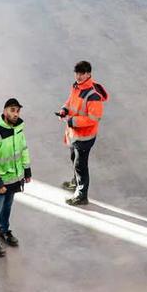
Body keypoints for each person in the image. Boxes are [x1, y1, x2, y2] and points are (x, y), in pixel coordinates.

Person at [55, 59, 108, 206]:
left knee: (81, 165)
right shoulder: (77, 87)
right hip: (75, 134)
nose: (78, 76)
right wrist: (64, 109)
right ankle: (76, 182)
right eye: (77, 73)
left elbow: (93, 119)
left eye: (82, 74)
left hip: (85, 137)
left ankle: (82, 195)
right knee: (74, 159)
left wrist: (72, 121)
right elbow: (71, 101)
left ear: (88, 74)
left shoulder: (93, 95)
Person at [0, 98, 30, 257]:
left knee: (7, 207)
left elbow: (23, 149)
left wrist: (27, 170)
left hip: (14, 179)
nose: (15, 114)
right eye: (12, 110)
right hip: (0, 181)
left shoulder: (18, 130)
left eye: (17, 111)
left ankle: (4, 230)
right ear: (4, 111)